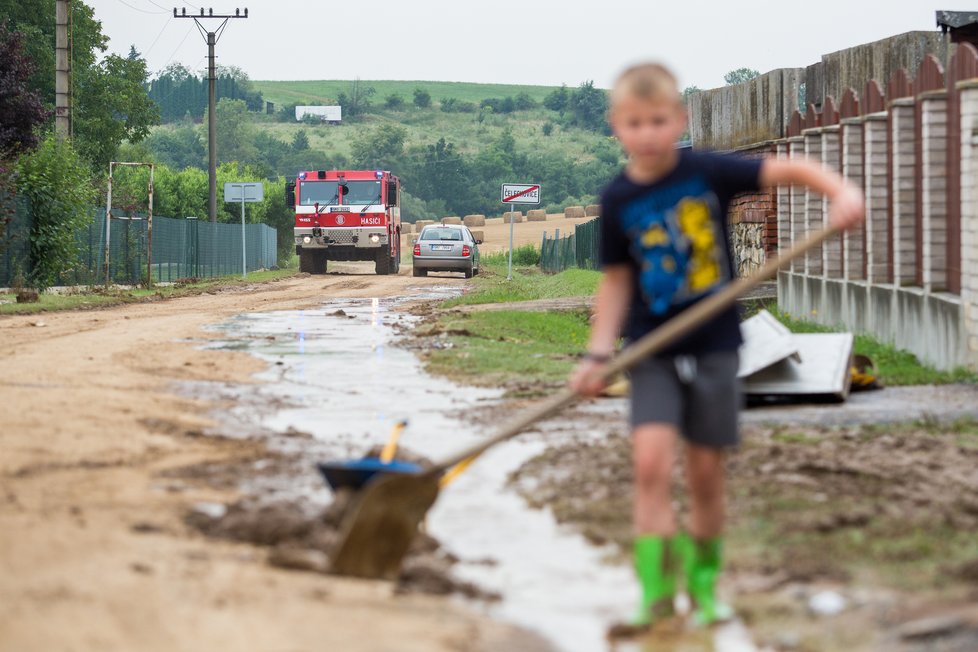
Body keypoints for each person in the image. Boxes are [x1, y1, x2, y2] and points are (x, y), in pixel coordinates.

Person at [569, 62, 865, 634]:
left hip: (715, 347)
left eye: (658, 121)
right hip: (649, 349)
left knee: (705, 473)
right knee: (651, 465)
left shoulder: (709, 172)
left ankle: (704, 589)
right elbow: (615, 283)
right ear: (616, 128)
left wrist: (841, 191)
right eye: (635, 123)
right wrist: (596, 355)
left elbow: (790, 166)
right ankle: (656, 595)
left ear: (678, 119)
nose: (648, 133)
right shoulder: (619, 197)